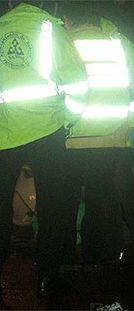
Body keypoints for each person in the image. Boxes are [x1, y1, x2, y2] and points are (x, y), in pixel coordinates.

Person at [0, 1, 87, 299]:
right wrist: (67, 119)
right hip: (47, 129)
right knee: (52, 206)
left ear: (8, 4)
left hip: (4, 134)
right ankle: (47, 278)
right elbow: (78, 82)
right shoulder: (51, 30)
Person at [63, 15, 134, 264]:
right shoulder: (119, 43)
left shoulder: (63, 41)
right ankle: (105, 257)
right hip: (112, 136)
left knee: (66, 201)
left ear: (67, 18)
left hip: (72, 137)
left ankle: (65, 258)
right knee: (104, 198)